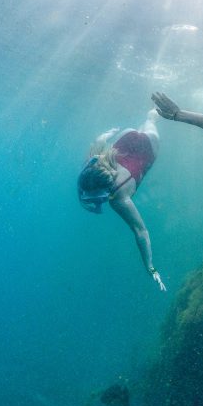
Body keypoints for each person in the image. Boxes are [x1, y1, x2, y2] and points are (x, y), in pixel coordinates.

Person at [77, 109, 166, 291]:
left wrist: (150, 267)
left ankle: (152, 116)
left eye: (100, 198)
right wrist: (108, 135)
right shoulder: (93, 164)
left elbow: (141, 232)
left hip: (149, 147)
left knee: (150, 122)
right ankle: (150, 117)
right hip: (128, 136)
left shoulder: (118, 197)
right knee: (145, 126)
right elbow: (99, 142)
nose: (99, 202)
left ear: (108, 189)